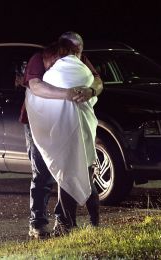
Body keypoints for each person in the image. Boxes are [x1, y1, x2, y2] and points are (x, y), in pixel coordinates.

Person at [20, 32, 103, 238]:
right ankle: (37, 223)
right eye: (78, 50)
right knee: (43, 172)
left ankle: (64, 222)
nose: (80, 55)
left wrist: (90, 91)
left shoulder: (80, 60)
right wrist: (66, 94)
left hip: (69, 122)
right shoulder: (39, 59)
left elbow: (98, 80)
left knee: (69, 168)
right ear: (69, 47)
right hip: (41, 122)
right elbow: (35, 86)